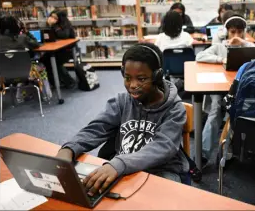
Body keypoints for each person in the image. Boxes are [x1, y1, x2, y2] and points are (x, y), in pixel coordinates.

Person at [56, 43, 189, 195]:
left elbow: (163, 147)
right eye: (127, 78)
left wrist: (118, 164)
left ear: (157, 76)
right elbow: (98, 128)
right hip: (123, 168)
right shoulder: (121, 101)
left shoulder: (174, 108)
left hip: (162, 170)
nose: (133, 85)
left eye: (141, 78)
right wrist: (70, 148)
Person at [195, 12, 255, 166]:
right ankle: (202, 155)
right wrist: (220, 59)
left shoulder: (249, 46)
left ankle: (226, 151)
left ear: (244, 32)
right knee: (215, 112)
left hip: (240, 88)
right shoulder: (220, 46)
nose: (236, 35)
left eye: (240, 32)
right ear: (227, 32)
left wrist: (242, 43)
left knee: (234, 115)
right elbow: (200, 56)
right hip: (219, 87)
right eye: (233, 31)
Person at [40, 10, 76, 89]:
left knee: (55, 62)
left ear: (60, 18)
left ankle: (69, 82)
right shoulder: (51, 24)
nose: (52, 19)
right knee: (43, 60)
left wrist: (54, 26)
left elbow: (64, 35)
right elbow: (45, 34)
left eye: (55, 18)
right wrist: (48, 25)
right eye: (51, 16)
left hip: (66, 50)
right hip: (54, 50)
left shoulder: (65, 24)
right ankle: (54, 82)